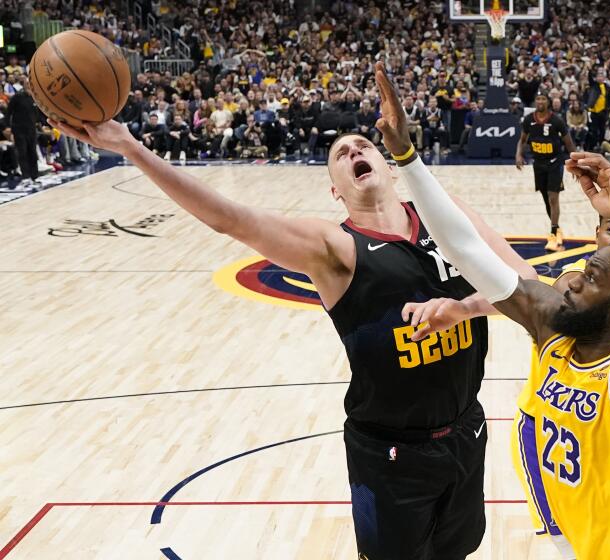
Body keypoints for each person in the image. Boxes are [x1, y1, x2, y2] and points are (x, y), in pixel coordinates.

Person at [49, 82, 534, 559]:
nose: (355, 151)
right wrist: (130, 147)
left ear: (388, 163)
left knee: (458, 552)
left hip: (466, 430)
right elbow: (230, 218)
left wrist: (464, 308)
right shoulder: (333, 247)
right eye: (341, 154)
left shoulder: (446, 216)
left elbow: (527, 280)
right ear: (335, 190)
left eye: (363, 145)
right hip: (389, 452)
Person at [374, 63, 610, 559]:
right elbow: (466, 250)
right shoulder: (554, 326)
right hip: (575, 540)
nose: (569, 281)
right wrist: (406, 157)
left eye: (589, 279)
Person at [516, 90, 576, 251]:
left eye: (543, 99)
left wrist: (576, 163)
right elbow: (522, 140)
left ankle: (552, 233)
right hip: (538, 164)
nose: (540, 101)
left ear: (548, 102)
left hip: (555, 163)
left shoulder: (556, 121)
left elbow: (569, 143)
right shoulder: (529, 120)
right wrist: (518, 155)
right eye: (538, 99)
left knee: (553, 198)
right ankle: (557, 228)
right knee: (546, 198)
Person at [7, 77, 39, 189]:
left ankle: (35, 176)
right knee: (23, 153)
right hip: (19, 129)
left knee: (33, 153)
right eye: (27, 83)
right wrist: (7, 127)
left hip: (31, 130)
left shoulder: (34, 98)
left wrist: (41, 124)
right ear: (24, 84)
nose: (29, 85)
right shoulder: (17, 97)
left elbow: (38, 115)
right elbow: (8, 112)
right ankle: (26, 177)